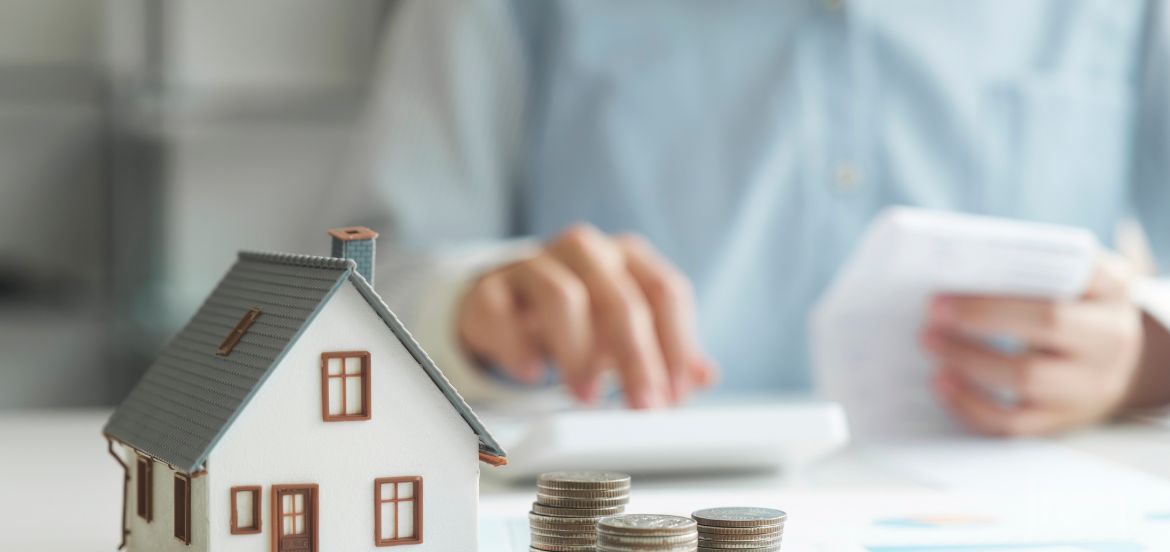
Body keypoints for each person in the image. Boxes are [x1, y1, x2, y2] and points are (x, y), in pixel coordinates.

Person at [339, 0, 1170, 435]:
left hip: (1031, 547)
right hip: (615, 539)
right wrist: (472, 314)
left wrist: (1145, 358)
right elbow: (354, 294)